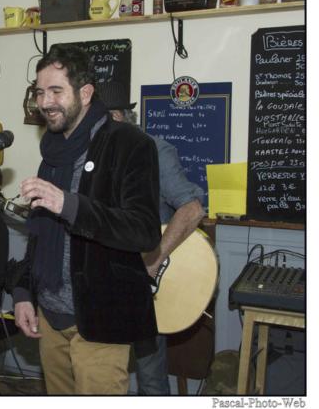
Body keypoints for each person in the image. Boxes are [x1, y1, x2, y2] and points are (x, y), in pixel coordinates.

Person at [13, 44, 162, 395]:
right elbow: (40, 235)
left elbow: (143, 231)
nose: (45, 102)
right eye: (39, 92)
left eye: (56, 91)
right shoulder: (52, 151)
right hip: (50, 318)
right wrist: (22, 292)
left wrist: (69, 205)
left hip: (100, 320)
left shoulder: (130, 143)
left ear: (85, 93)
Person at [101, 81, 205, 395]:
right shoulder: (91, 156)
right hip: (104, 279)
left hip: (146, 281)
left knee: (150, 379)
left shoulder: (155, 150)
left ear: (116, 117)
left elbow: (192, 209)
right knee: (100, 374)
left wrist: (154, 260)